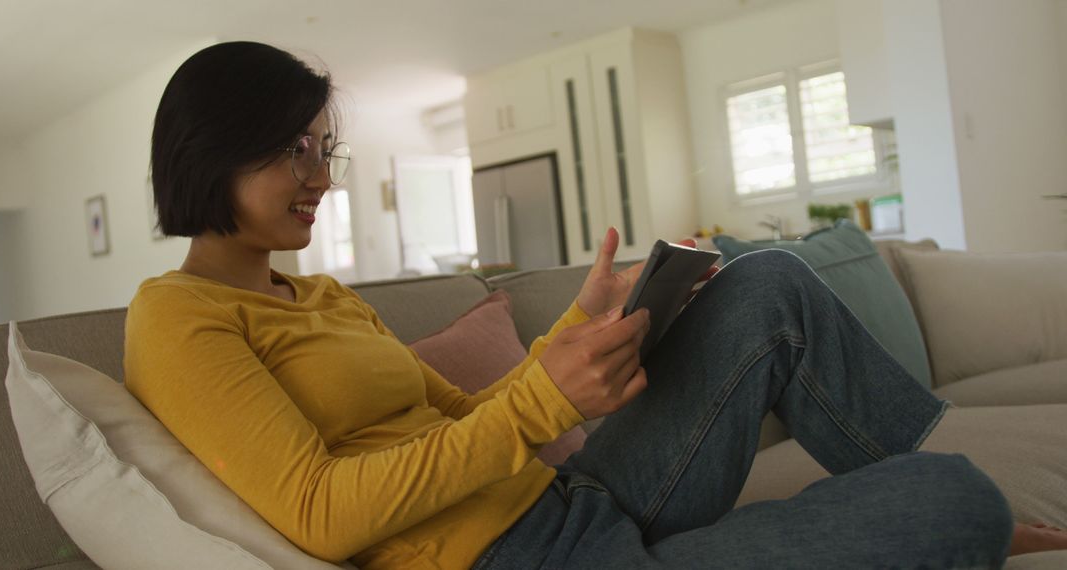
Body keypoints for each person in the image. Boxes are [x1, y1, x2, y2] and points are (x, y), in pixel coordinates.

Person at [124, 41, 1067, 569]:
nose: (320, 177)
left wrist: (564, 353)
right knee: (954, 504)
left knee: (770, 282)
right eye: (297, 149)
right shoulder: (177, 319)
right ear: (212, 146)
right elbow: (321, 514)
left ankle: (923, 496)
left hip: (573, 495)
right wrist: (543, 400)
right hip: (522, 564)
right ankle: (951, 515)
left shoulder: (327, 299)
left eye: (326, 150)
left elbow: (470, 420)